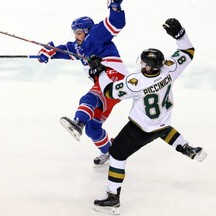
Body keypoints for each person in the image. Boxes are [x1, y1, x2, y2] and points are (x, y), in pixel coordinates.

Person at [93, 18, 207, 214]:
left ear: (148, 66)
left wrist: (99, 72)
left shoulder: (136, 82)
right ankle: (185, 147)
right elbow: (188, 51)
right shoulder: (169, 69)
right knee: (162, 130)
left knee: (117, 154)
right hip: (162, 122)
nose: (142, 65)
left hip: (140, 129)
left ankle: (113, 197)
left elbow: (110, 92)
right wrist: (180, 35)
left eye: (144, 63)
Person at [38, 0, 128, 166]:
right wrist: (48, 52)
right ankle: (109, 151)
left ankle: (78, 123)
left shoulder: (96, 34)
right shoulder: (79, 47)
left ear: (87, 31)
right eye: (74, 33)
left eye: (78, 33)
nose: (75, 36)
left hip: (115, 77)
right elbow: (65, 50)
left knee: (89, 97)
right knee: (93, 129)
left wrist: (115, 7)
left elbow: (116, 23)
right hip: (106, 85)